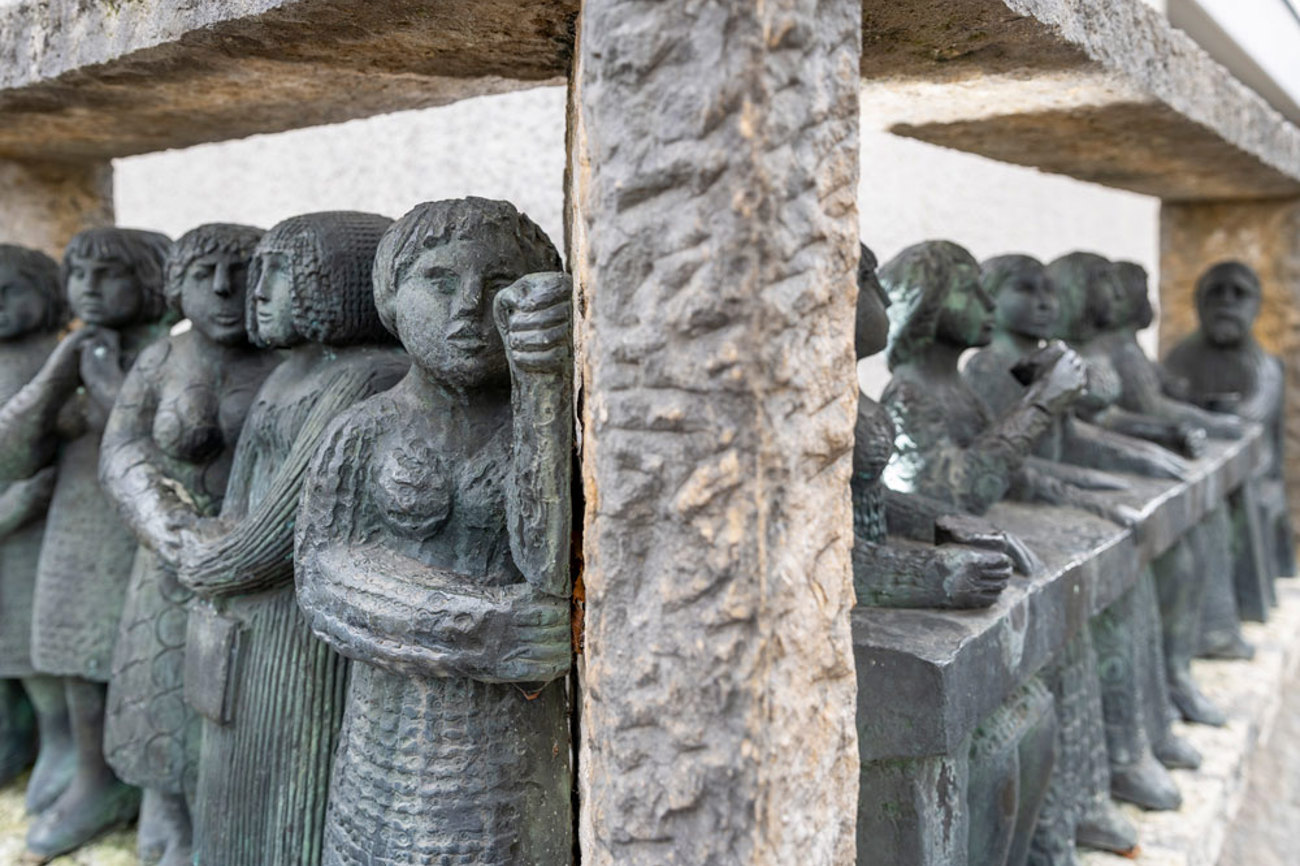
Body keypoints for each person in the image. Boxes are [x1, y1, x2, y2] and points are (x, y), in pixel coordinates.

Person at [296, 198, 573, 865]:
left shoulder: (549, 424)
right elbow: (321, 572)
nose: (468, 309)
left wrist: (540, 389)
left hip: (507, 734)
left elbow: (545, 569)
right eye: (440, 281)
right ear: (391, 299)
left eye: (499, 285)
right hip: (389, 717)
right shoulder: (365, 429)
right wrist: (473, 624)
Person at [99, 224, 281, 866]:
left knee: (240, 711)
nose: (225, 289)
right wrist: (163, 521)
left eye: (243, 271)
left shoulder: (289, 362)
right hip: (168, 559)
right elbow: (122, 449)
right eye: (206, 274)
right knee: (160, 693)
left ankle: (221, 820)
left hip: (256, 571)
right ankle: (164, 807)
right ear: (179, 286)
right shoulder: (163, 359)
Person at [0, 227, 173, 858]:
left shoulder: (168, 354)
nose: (90, 290)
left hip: (130, 526)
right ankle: (87, 774)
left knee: (117, 659)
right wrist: (58, 374)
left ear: (152, 281)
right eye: (80, 275)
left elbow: (162, 440)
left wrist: (99, 383)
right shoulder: (77, 349)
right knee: (72, 656)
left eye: (109, 275)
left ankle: (122, 784)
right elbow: (8, 454)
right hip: (75, 520)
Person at [0, 244, 68, 807]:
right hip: (8, 521)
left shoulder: (53, 359)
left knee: (33, 650)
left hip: (38, 536)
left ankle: (58, 742)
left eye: (10, 291)